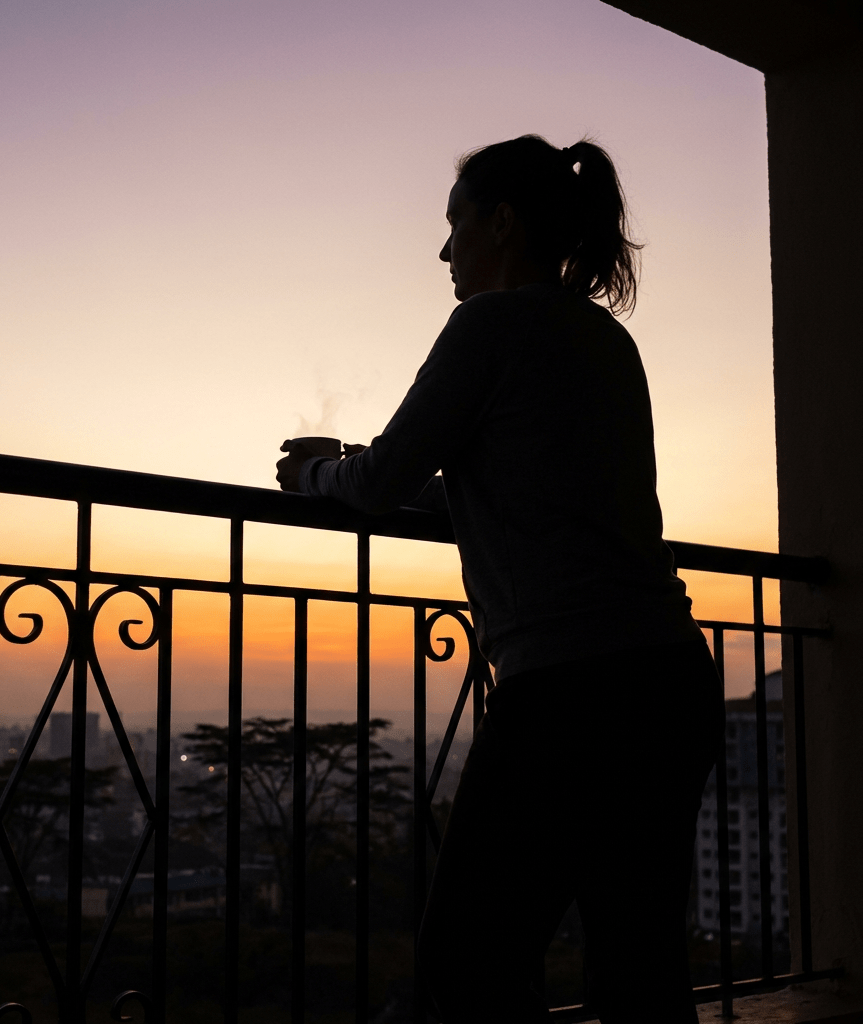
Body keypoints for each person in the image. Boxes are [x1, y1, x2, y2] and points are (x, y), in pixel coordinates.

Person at [275, 134, 723, 1024]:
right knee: (638, 964)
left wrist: (313, 474)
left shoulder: (490, 324)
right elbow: (507, 490)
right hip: (667, 677)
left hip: (570, 690)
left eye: (455, 224)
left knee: (468, 956)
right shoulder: (604, 339)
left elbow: (381, 481)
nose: (444, 251)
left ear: (503, 223)